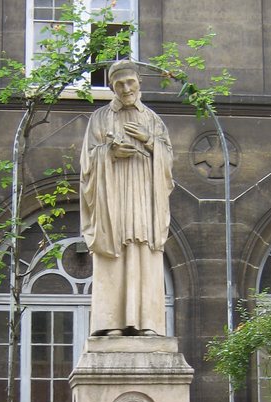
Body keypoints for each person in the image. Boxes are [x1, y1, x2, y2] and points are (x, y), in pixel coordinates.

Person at [80, 60, 174, 336]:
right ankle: (110, 323)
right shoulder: (100, 118)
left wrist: (150, 141)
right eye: (119, 84)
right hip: (112, 197)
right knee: (113, 250)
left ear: (139, 82)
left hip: (144, 197)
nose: (126, 88)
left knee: (143, 249)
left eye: (130, 82)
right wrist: (109, 153)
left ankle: (148, 323)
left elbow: (168, 163)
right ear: (111, 87)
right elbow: (87, 162)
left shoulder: (153, 120)